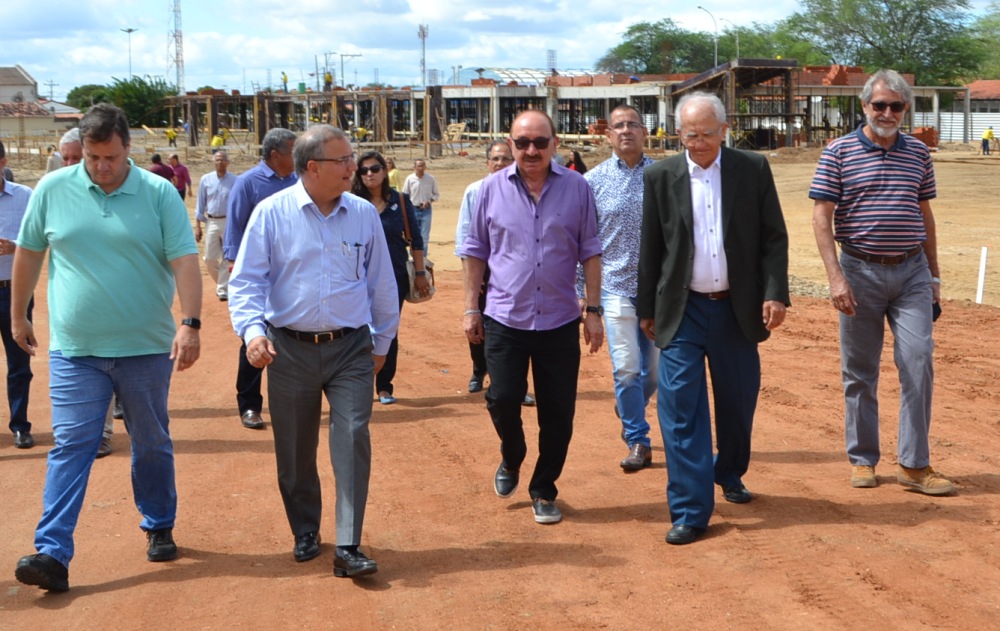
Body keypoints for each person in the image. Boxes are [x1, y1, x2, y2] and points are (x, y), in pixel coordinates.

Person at [12, 103, 202, 592]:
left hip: (143, 347)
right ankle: (52, 551)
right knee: (72, 444)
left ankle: (159, 523)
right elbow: (31, 250)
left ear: (127, 148)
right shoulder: (53, 189)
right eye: (92, 158)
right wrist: (18, 313)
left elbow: (183, 259)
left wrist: (190, 323)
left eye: (110, 157)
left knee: (150, 442)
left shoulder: (159, 193)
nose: (101, 167)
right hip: (76, 349)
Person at [228, 124, 398, 578]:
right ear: (311, 168)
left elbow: (382, 282)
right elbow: (246, 281)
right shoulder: (271, 213)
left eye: (353, 159)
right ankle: (305, 528)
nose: (353, 168)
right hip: (289, 349)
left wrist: (381, 343)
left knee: (352, 437)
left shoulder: (363, 214)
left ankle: (348, 543)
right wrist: (252, 332)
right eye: (343, 160)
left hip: (350, 349)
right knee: (295, 447)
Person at [638, 91, 790, 546]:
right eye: (689, 135)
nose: (698, 143)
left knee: (738, 402)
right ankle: (690, 508)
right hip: (681, 311)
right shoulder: (661, 175)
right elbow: (652, 247)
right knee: (681, 410)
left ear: (725, 130)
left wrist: (775, 293)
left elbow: (774, 237)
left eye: (706, 134)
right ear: (677, 133)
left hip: (735, 310)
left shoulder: (752, 169)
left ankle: (730, 471)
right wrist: (647, 308)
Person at [810, 69, 954, 496]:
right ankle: (862, 459)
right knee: (859, 371)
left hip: (911, 272)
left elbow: (924, 215)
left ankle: (914, 465)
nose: (887, 113)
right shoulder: (837, 153)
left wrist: (934, 274)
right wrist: (835, 277)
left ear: (906, 109)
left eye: (896, 106)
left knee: (918, 361)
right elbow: (821, 216)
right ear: (864, 106)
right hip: (858, 271)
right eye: (879, 105)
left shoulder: (918, 154)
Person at [460, 110, 604, 525]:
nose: (531, 150)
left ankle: (544, 488)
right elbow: (475, 253)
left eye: (540, 142)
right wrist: (471, 307)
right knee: (501, 399)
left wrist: (592, 311)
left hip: (559, 321)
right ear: (510, 144)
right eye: (522, 143)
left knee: (558, 414)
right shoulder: (489, 190)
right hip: (505, 318)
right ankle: (513, 455)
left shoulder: (578, 188)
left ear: (554, 144)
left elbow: (591, 250)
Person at [584, 104, 658, 472]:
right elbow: (584, 241)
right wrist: (587, 298)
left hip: (658, 291)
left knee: (656, 372)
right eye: (618, 126)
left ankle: (628, 402)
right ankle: (638, 439)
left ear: (645, 132)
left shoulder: (665, 174)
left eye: (633, 124)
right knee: (627, 368)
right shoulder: (592, 182)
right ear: (608, 135)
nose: (626, 130)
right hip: (614, 287)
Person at [223, 127, 298, 430]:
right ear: (276, 154)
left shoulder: (298, 182)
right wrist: (233, 265)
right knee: (254, 339)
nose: (299, 157)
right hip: (257, 274)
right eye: (294, 151)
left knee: (291, 337)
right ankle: (250, 405)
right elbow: (235, 227)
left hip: (291, 274)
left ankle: (292, 403)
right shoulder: (247, 183)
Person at [454, 140, 537, 406]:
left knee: (513, 329)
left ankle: (513, 384)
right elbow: (465, 239)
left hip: (512, 272)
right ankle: (480, 370)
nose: (500, 164)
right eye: (496, 159)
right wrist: (472, 279)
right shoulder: (475, 191)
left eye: (506, 159)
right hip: (483, 268)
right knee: (479, 325)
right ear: (487, 162)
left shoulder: (525, 190)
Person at [352, 150, 429, 405]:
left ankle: (384, 386)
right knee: (356, 330)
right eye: (363, 171)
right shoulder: (351, 203)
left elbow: (415, 241)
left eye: (375, 169)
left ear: (385, 171)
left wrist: (419, 273)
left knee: (387, 329)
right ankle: (358, 383)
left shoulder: (402, 202)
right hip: (356, 278)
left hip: (394, 277)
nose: (369, 174)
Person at [0, 140, 35, 449]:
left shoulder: (25, 197)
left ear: (3, 162)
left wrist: (16, 246)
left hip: (15, 293)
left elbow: (39, 238)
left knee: (19, 364)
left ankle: (20, 426)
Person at [195, 150, 238, 301]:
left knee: (228, 256)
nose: (220, 163)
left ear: (228, 162)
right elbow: (200, 203)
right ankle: (223, 282)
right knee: (210, 258)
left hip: (229, 221)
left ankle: (222, 289)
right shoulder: (205, 180)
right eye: (217, 160)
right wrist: (198, 226)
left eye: (222, 160)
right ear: (214, 162)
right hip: (211, 221)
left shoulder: (235, 180)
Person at [402, 159, 439, 256]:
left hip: (426, 210)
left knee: (425, 237)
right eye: (418, 166)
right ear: (414, 168)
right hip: (413, 209)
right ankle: (413, 258)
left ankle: (423, 259)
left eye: (422, 166)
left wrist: (429, 201)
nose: (421, 168)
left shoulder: (431, 179)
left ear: (425, 167)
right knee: (413, 235)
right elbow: (405, 195)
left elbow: (436, 194)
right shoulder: (410, 179)